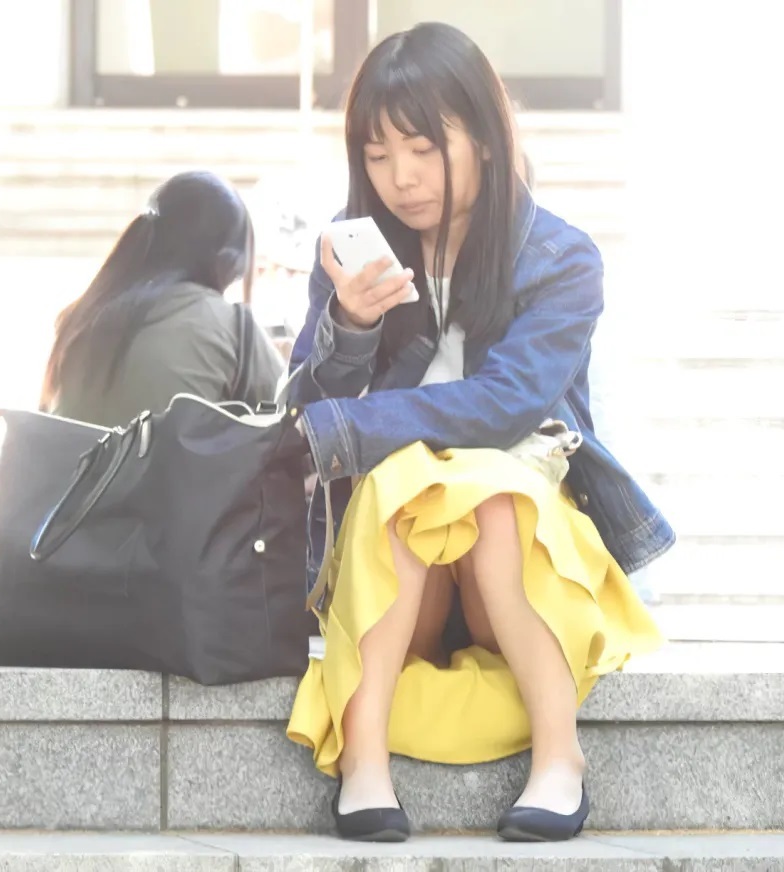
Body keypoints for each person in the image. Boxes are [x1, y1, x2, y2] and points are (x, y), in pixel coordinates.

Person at [283, 23, 672, 843]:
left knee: (490, 491)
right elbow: (303, 412)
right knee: (403, 483)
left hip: (520, 562)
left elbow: (506, 405)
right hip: (402, 575)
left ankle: (560, 760)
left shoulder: (561, 259)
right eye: (378, 155)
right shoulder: (353, 253)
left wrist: (358, 423)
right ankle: (364, 766)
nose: (400, 177)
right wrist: (351, 327)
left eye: (423, 148)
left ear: (486, 140)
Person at [40, 170, 285, 426]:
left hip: (75, 455)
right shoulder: (234, 328)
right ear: (229, 260)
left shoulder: (80, 318)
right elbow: (296, 419)